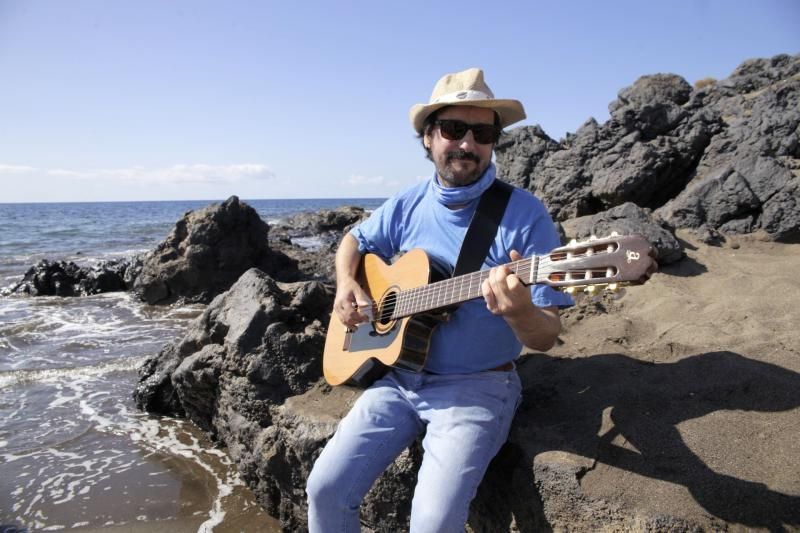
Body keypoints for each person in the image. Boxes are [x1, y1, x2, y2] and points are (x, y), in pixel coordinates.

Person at [306, 68, 574, 532]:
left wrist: (521, 312)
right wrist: (347, 283)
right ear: (428, 138)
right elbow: (354, 239)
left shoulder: (524, 214)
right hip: (397, 379)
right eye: (453, 129)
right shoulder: (408, 203)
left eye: (483, 132)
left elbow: (548, 335)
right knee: (324, 491)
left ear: (493, 142)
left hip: (476, 388)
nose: (467, 144)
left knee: (431, 525)